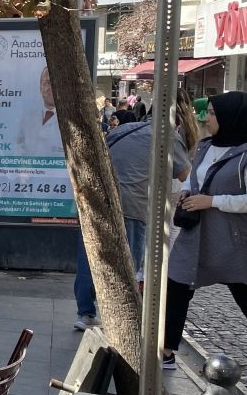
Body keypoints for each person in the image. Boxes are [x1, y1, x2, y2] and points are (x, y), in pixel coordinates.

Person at [163, 92, 247, 376]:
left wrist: (212, 201)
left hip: (231, 236)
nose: (205, 118)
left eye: (212, 113)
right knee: (177, 285)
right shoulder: (206, 146)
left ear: (233, 118)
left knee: (246, 291)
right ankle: (167, 350)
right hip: (197, 233)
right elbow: (199, 178)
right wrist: (189, 193)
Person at [74, 112, 191, 330]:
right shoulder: (169, 136)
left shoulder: (123, 129)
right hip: (131, 204)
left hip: (93, 199)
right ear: (180, 123)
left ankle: (85, 313)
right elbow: (185, 174)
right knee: (129, 262)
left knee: (88, 258)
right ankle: (123, 317)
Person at [14, 67, 61, 155]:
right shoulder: (27, 119)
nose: (52, 87)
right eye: (47, 83)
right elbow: (19, 148)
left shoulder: (73, 122)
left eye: (57, 83)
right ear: (41, 88)